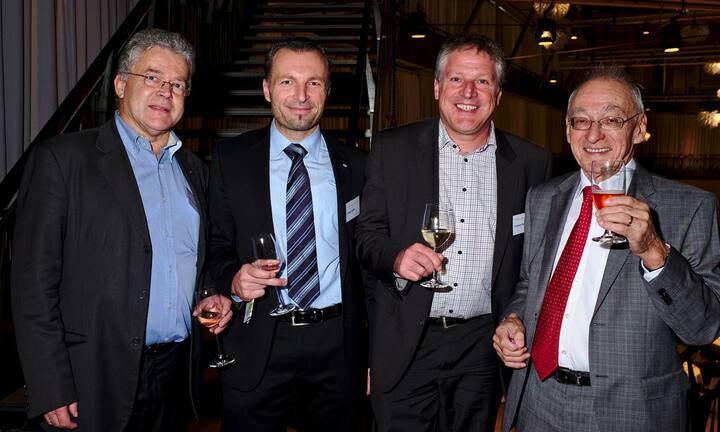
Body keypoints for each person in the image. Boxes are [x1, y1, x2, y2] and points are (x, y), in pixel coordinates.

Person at [11, 28, 232, 431]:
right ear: (119, 84)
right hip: (90, 375)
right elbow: (32, 285)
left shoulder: (194, 170)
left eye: (177, 84)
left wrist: (208, 292)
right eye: (152, 77)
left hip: (173, 376)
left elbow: (189, 259)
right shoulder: (62, 160)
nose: (165, 91)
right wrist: (49, 383)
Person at [493, 67, 720, 432]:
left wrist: (654, 251)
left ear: (640, 127)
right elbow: (528, 283)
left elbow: (703, 328)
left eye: (612, 120)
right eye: (581, 120)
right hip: (539, 399)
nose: (594, 134)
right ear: (567, 129)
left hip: (631, 412)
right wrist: (513, 318)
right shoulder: (543, 197)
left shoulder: (689, 207)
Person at [355, 33, 552, 431]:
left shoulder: (532, 163)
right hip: (406, 339)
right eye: (457, 79)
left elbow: (534, 264)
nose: (468, 92)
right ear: (436, 87)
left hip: (481, 346)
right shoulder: (392, 150)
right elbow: (367, 236)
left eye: (482, 81)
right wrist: (396, 257)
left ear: (498, 95)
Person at [207, 37, 368, 432]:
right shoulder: (230, 159)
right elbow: (215, 244)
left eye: (314, 82)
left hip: (338, 345)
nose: (301, 95)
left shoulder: (360, 165)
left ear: (327, 91)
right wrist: (233, 279)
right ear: (266, 89)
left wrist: (374, 353)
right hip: (258, 339)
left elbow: (369, 262)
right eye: (287, 82)